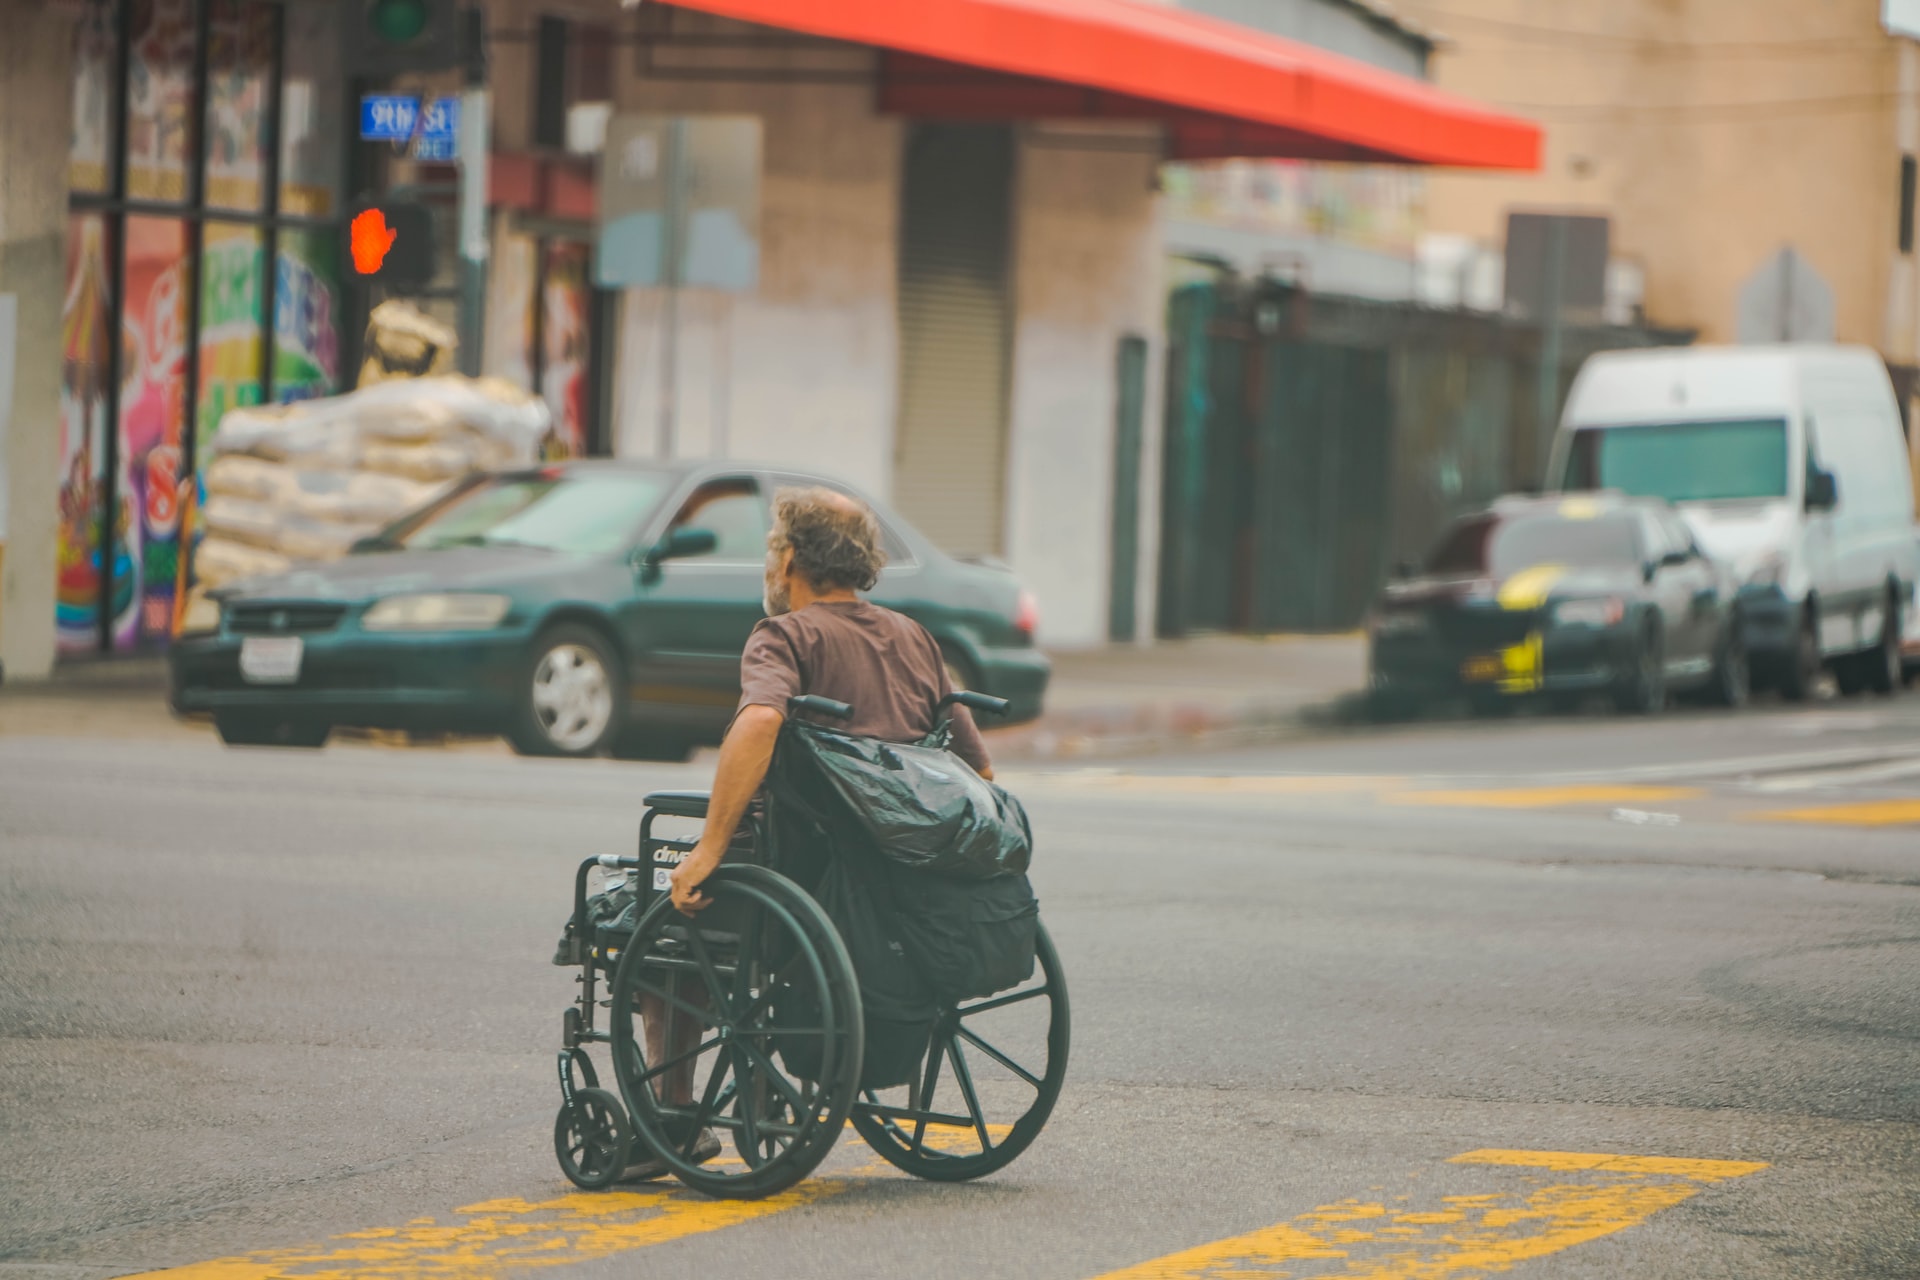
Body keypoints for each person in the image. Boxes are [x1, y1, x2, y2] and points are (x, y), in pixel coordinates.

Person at [624, 485, 991, 1180]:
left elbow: (760, 722)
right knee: (717, 895)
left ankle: (672, 1114)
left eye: (773, 550)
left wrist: (705, 850)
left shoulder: (785, 636)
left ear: (790, 557)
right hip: (893, 882)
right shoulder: (914, 638)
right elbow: (977, 768)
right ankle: (764, 1088)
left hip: (799, 874)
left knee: (660, 916)